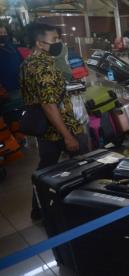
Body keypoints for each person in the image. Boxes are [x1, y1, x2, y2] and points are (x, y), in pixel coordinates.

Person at [21, 23, 89, 220]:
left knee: (45, 170)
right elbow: (49, 104)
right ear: (39, 43)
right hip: (61, 127)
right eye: (54, 40)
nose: (58, 43)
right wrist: (68, 136)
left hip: (44, 129)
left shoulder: (28, 63)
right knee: (85, 164)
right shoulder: (43, 68)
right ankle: (86, 207)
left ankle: (39, 209)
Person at [0, 24, 24, 115]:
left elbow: (22, 62)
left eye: (4, 32)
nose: (2, 35)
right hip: (5, 91)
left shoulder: (12, 47)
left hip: (19, 86)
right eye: (0, 33)